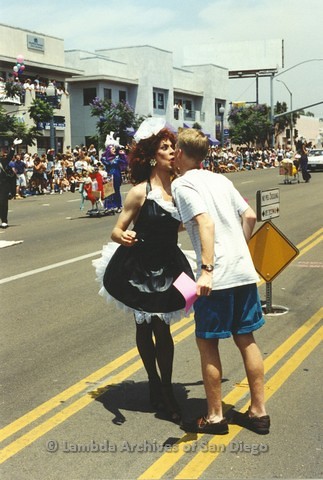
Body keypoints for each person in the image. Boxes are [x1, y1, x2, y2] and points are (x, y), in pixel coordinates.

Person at [93, 118, 195, 423]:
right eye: (165, 147)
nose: (171, 151)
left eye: (172, 147)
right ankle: (155, 384)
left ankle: (165, 388)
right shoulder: (140, 192)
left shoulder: (180, 190)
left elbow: (184, 224)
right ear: (153, 155)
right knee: (144, 326)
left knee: (163, 329)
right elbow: (116, 229)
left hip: (169, 264)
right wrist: (121, 236)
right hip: (138, 266)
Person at [171, 128, 270, 435]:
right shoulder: (221, 179)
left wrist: (207, 269)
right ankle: (259, 412)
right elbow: (250, 215)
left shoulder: (182, 184)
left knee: (208, 343)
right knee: (246, 339)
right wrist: (238, 248)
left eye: (174, 149)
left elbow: (205, 222)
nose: (172, 154)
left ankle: (215, 416)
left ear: (181, 153)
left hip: (218, 277)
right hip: (243, 270)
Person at [0, 138, 22, 228]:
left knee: (3, 202)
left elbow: (10, 155)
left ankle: (4, 220)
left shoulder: (3, 161)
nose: (2, 151)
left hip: (3, 184)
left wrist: (13, 146)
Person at [101, 142, 128, 212]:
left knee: (116, 191)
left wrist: (122, 155)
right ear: (108, 150)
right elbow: (106, 162)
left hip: (117, 176)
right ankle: (110, 206)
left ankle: (119, 206)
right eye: (112, 149)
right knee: (109, 192)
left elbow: (125, 162)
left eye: (114, 149)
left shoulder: (117, 157)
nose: (114, 150)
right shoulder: (104, 158)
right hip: (109, 176)